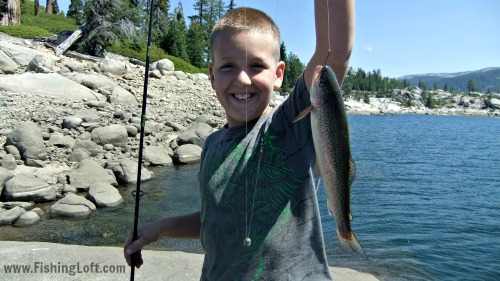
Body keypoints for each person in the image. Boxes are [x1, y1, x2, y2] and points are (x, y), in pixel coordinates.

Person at [124, 0, 355, 280]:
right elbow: (215, 221)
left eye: (256, 66)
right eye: (228, 66)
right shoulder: (211, 145)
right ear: (211, 75)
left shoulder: (288, 127)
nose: (243, 78)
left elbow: (336, 51)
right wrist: (159, 228)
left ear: (278, 74)